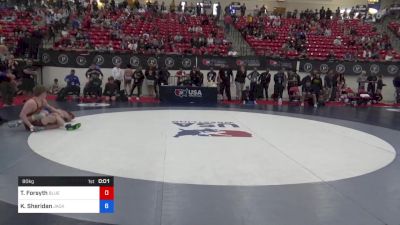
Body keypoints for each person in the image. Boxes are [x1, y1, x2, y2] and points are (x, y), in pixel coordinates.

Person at [15, 86, 80, 132]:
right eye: (45, 92)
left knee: (56, 117)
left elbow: (49, 107)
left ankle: (66, 126)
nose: (46, 94)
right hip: (30, 123)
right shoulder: (31, 103)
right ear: (42, 93)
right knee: (51, 117)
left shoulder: (43, 100)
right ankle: (67, 126)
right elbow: (21, 115)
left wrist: (57, 111)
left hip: (38, 118)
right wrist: (30, 126)